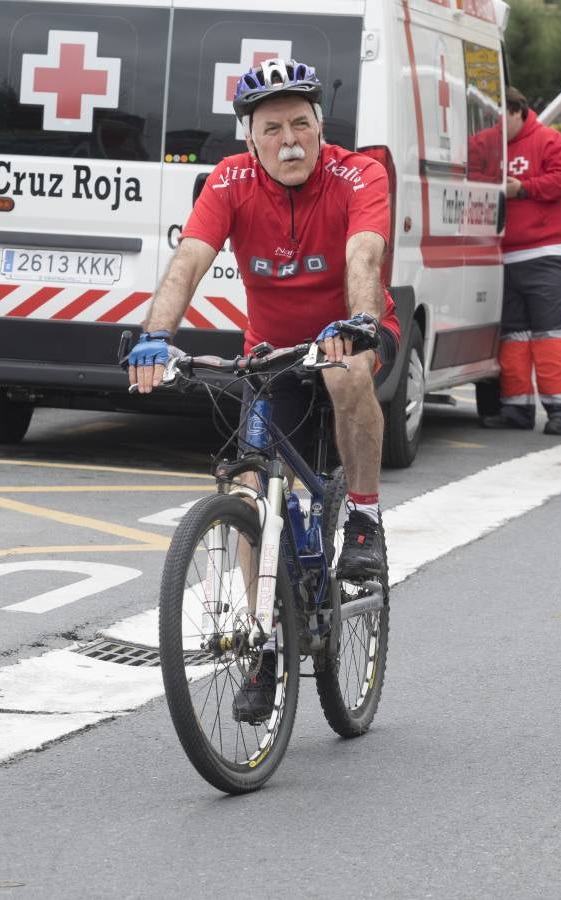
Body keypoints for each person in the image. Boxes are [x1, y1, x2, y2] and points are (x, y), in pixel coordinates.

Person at [127, 59, 398, 591]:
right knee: (250, 495)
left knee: (343, 369)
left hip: (352, 334)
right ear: (250, 140)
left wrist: (360, 322)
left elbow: (364, 256)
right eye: (272, 129)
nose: (289, 141)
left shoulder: (359, 174)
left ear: (320, 127)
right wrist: (154, 337)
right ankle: (258, 632)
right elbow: (188, 262)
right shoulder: (230, 179)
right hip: (274, 351)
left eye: (300, 124)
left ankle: (364, 518)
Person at [479, 87, 561, 435]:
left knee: (552, 336)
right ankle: (517, 408)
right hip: (505, 257)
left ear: (518, 111)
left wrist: (522, 188)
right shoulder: (489, 143)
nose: (497, 127)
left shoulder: (548, 140)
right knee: (514, 338)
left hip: (547, 253)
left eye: (501, 118)